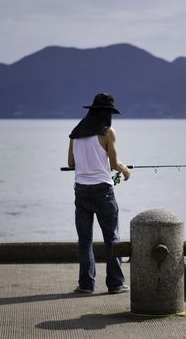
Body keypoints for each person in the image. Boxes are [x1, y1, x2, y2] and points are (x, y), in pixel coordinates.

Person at [67, 93, 131, 294]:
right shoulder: (107, 132)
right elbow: (114, 163)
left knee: (84, 240)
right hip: (103, 191)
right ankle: (115, 283)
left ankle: (86, 284)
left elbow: (71, 164)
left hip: (81, 190)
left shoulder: (75, 132)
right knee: (111, 238)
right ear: (107, 113)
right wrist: (125, 169)